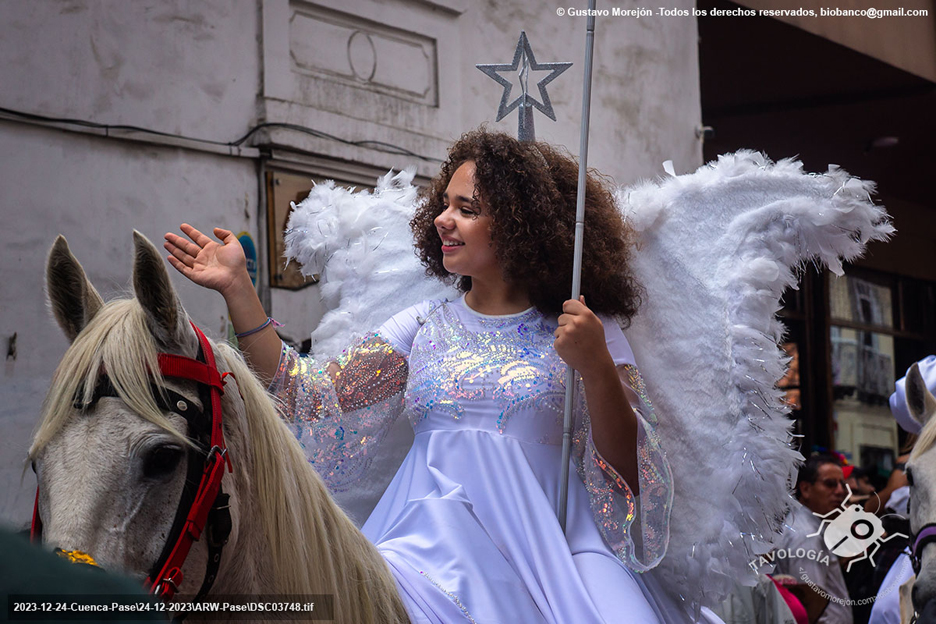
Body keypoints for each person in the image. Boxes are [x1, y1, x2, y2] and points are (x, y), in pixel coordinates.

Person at [164, 129, 716, 623]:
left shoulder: (585, 330)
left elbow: (629, 471)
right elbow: (310, 397)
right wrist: (238, 290)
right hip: (424, 553)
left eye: (467, 208)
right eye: (443, 204)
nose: (442, 220)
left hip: (556, 551)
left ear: (523, 228)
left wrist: (595, 366)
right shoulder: (421, 326)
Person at [773, 453, 853, 624]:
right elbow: (810, 606)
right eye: (830, 484)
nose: (840, 492)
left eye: (842, 485)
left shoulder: (809, 527)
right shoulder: (806, 535)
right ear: (806, 489)